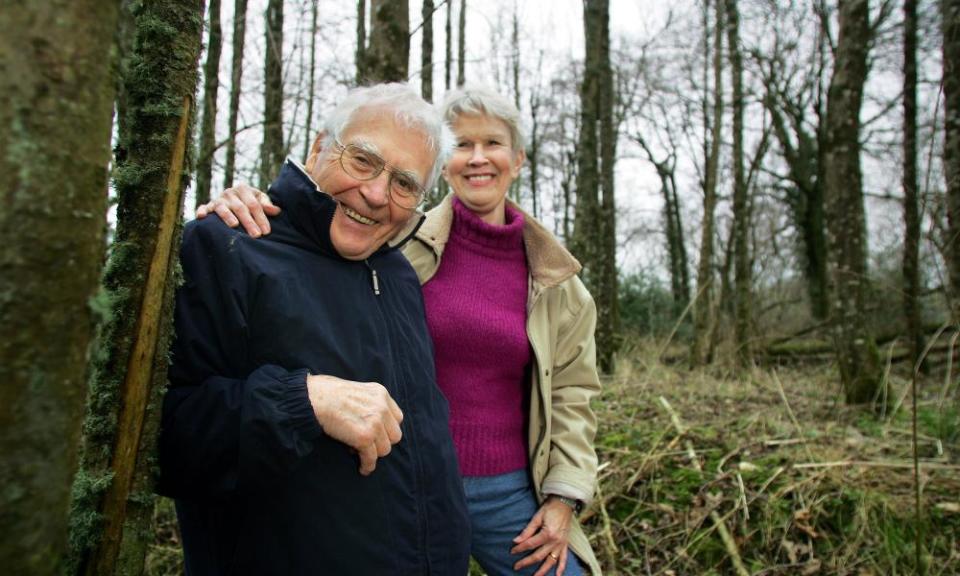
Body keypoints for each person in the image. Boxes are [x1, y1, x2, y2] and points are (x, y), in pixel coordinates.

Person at [201, 85, 602, 576]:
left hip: (504, 492)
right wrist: (251, 201)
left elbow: (572, 394)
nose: (478, 158)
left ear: (517, 160)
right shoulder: (400, 244)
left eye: (493, 143)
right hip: (399, 482)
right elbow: (313, 239)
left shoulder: (555, 280)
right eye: (463, 146)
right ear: (445, 166)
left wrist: (564, 495)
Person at [159, 83, 471, 575]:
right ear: (319, 147)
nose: (375, 194)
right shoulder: (225, 248)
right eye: (363, 161)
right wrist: (301, 403)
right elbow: (164, 440)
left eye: (404, 184)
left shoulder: (398, 274)